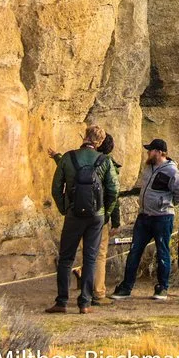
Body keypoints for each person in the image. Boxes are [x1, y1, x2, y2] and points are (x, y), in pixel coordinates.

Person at [46, 125, 119, 314]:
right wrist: (105, 213)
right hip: (96, 216)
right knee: (91, 258)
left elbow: (56, 188)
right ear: (100, 142)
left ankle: (61, 302)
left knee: (66, 258)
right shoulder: (105, 161)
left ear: (85, 136)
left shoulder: (68, 158)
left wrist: (65, 208)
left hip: (74, 214)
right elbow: (114, 190)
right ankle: (85, 303)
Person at [110, 139, 179, 300]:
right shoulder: (148, 168)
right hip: (144, 216)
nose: (148, 153)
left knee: (162, 251)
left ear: (160, 152)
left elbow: (178, 193)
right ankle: (126, 287)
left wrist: (165, 204)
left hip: (162, 217)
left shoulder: (172, 171)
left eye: (151, 150)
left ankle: (162, 288)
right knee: (134, 251)